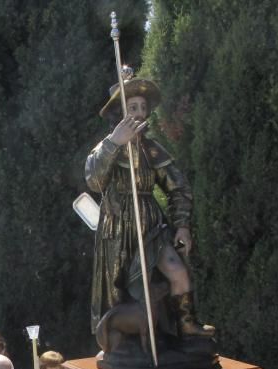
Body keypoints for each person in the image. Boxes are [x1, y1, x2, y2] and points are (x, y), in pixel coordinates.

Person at [86, 77, 213, 351]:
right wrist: (114, 143)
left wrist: (181, 226)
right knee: (119, 291)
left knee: (177, 271)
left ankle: (186, 324)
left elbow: (178, 187)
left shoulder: (153, 150)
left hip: (151, 226)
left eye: (143, 107)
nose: (140, 113)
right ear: (120, 113)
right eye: (132, 107)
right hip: (117, 230)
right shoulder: (106, 147)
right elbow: (94, 181)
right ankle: (121, 339)